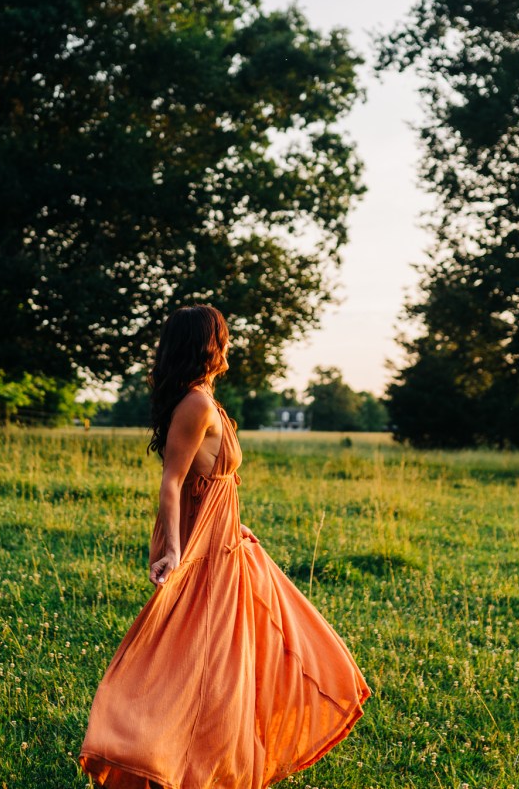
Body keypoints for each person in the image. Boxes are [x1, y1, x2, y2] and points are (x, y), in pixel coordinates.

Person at [78, 304, 371, 789]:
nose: (229, 345)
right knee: (200, 663)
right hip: (204, 553)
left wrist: (236, 529)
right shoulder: (195, 403)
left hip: (230, 544)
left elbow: (210, 484)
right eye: (224, 337)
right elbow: (171, 484)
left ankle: (209, 766)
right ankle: (163, 756)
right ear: (209, 345)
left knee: (248, 658)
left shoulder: (204, 400)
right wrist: (172, 550)